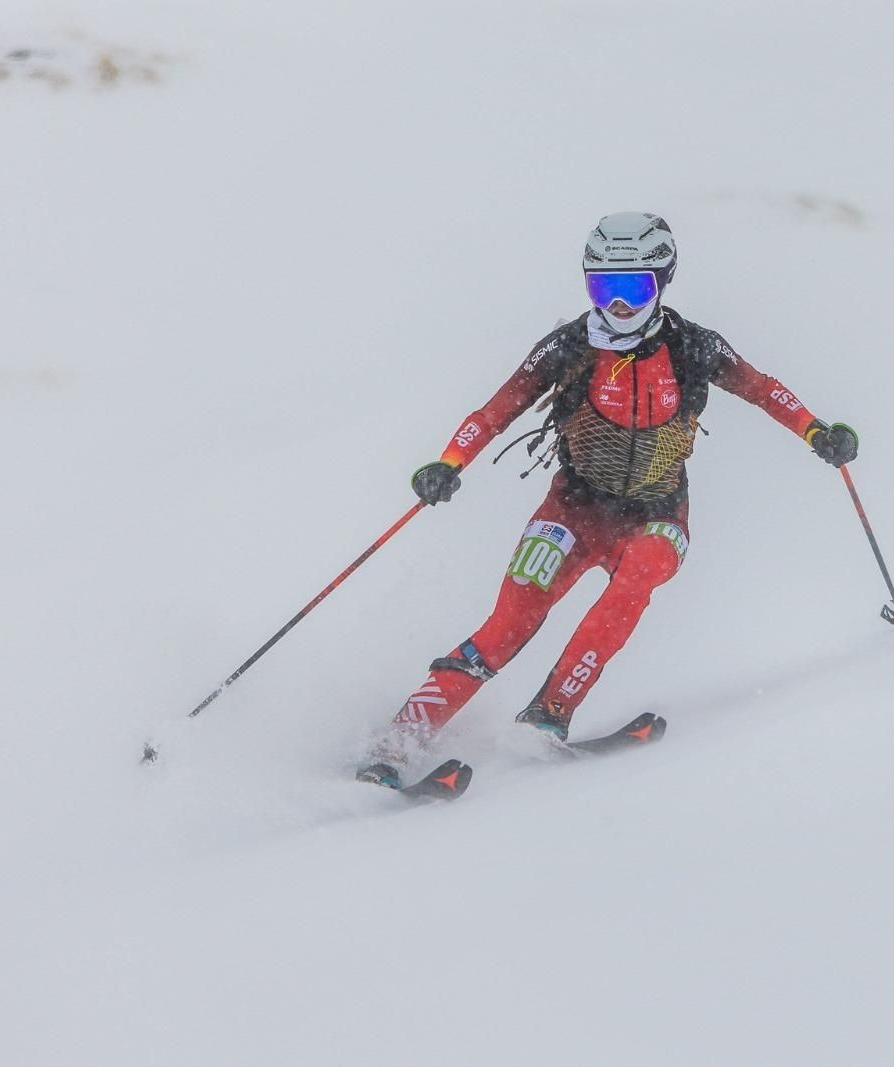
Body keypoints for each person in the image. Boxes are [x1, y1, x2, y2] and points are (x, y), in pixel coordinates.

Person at [360, 212, 858, 779]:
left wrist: (819, 431)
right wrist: (448, 464)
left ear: (662, 281)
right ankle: (398, 742)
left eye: (633, 288)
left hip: (657, 513)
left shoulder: (693, 346)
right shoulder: (571, 346)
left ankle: (548, 714)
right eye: (604, 288)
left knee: (638, 576)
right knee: (512, 620)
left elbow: (765, 390)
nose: (618, 306)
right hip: (573, 509)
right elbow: (496, 410)